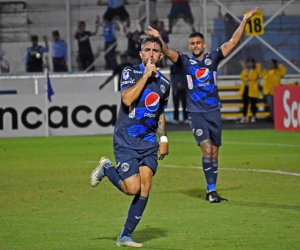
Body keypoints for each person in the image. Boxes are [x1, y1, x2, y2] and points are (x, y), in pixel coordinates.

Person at [146, 7, 258, 203]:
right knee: (206, 149)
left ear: (203, 44)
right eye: (192, 43)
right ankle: (211, 192)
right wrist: (158, 38)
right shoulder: (185, 61)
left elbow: (233, 41)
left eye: (198, 42)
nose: (196, 45)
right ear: (189, 46)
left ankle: (211, 189)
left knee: (214, 152)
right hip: (196, 113)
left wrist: (245, 20)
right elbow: (167, 51)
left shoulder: (213, 58)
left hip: (214, 111)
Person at [90, 36, 170, 247]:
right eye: (147, 50)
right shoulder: (130, 73)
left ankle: (125, 236)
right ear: (141, 54)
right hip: (126, 141)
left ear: (161, 55)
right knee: (131, 189)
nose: (151, 53)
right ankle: (107, 168)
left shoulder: (165, 84)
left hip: (149, 142)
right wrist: (145, 76)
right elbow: (127, 99)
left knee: (145, 186)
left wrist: (163, 137)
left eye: (155, 50)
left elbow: (160, 111)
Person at [218, 7, 241, 75]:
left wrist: (219, 9)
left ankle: (225, 74)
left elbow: (220, 16)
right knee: (240, 59)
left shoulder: (228, 23)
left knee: (225, 59)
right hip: (236, 44)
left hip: (229, 44)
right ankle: (246, 72)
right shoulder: (236, 24)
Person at [239, 58, 259, 123]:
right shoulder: (245, 70)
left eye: (251, 62)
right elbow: (242, 77)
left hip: (253, 89)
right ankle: (244, 117)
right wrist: (247, 77)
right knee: (245, 104)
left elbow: (254, 77)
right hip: (246, 88)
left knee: (253, 104)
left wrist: (247, 77)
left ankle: (253, 116)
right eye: (248, 62)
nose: (250, 64)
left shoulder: (255, 70)